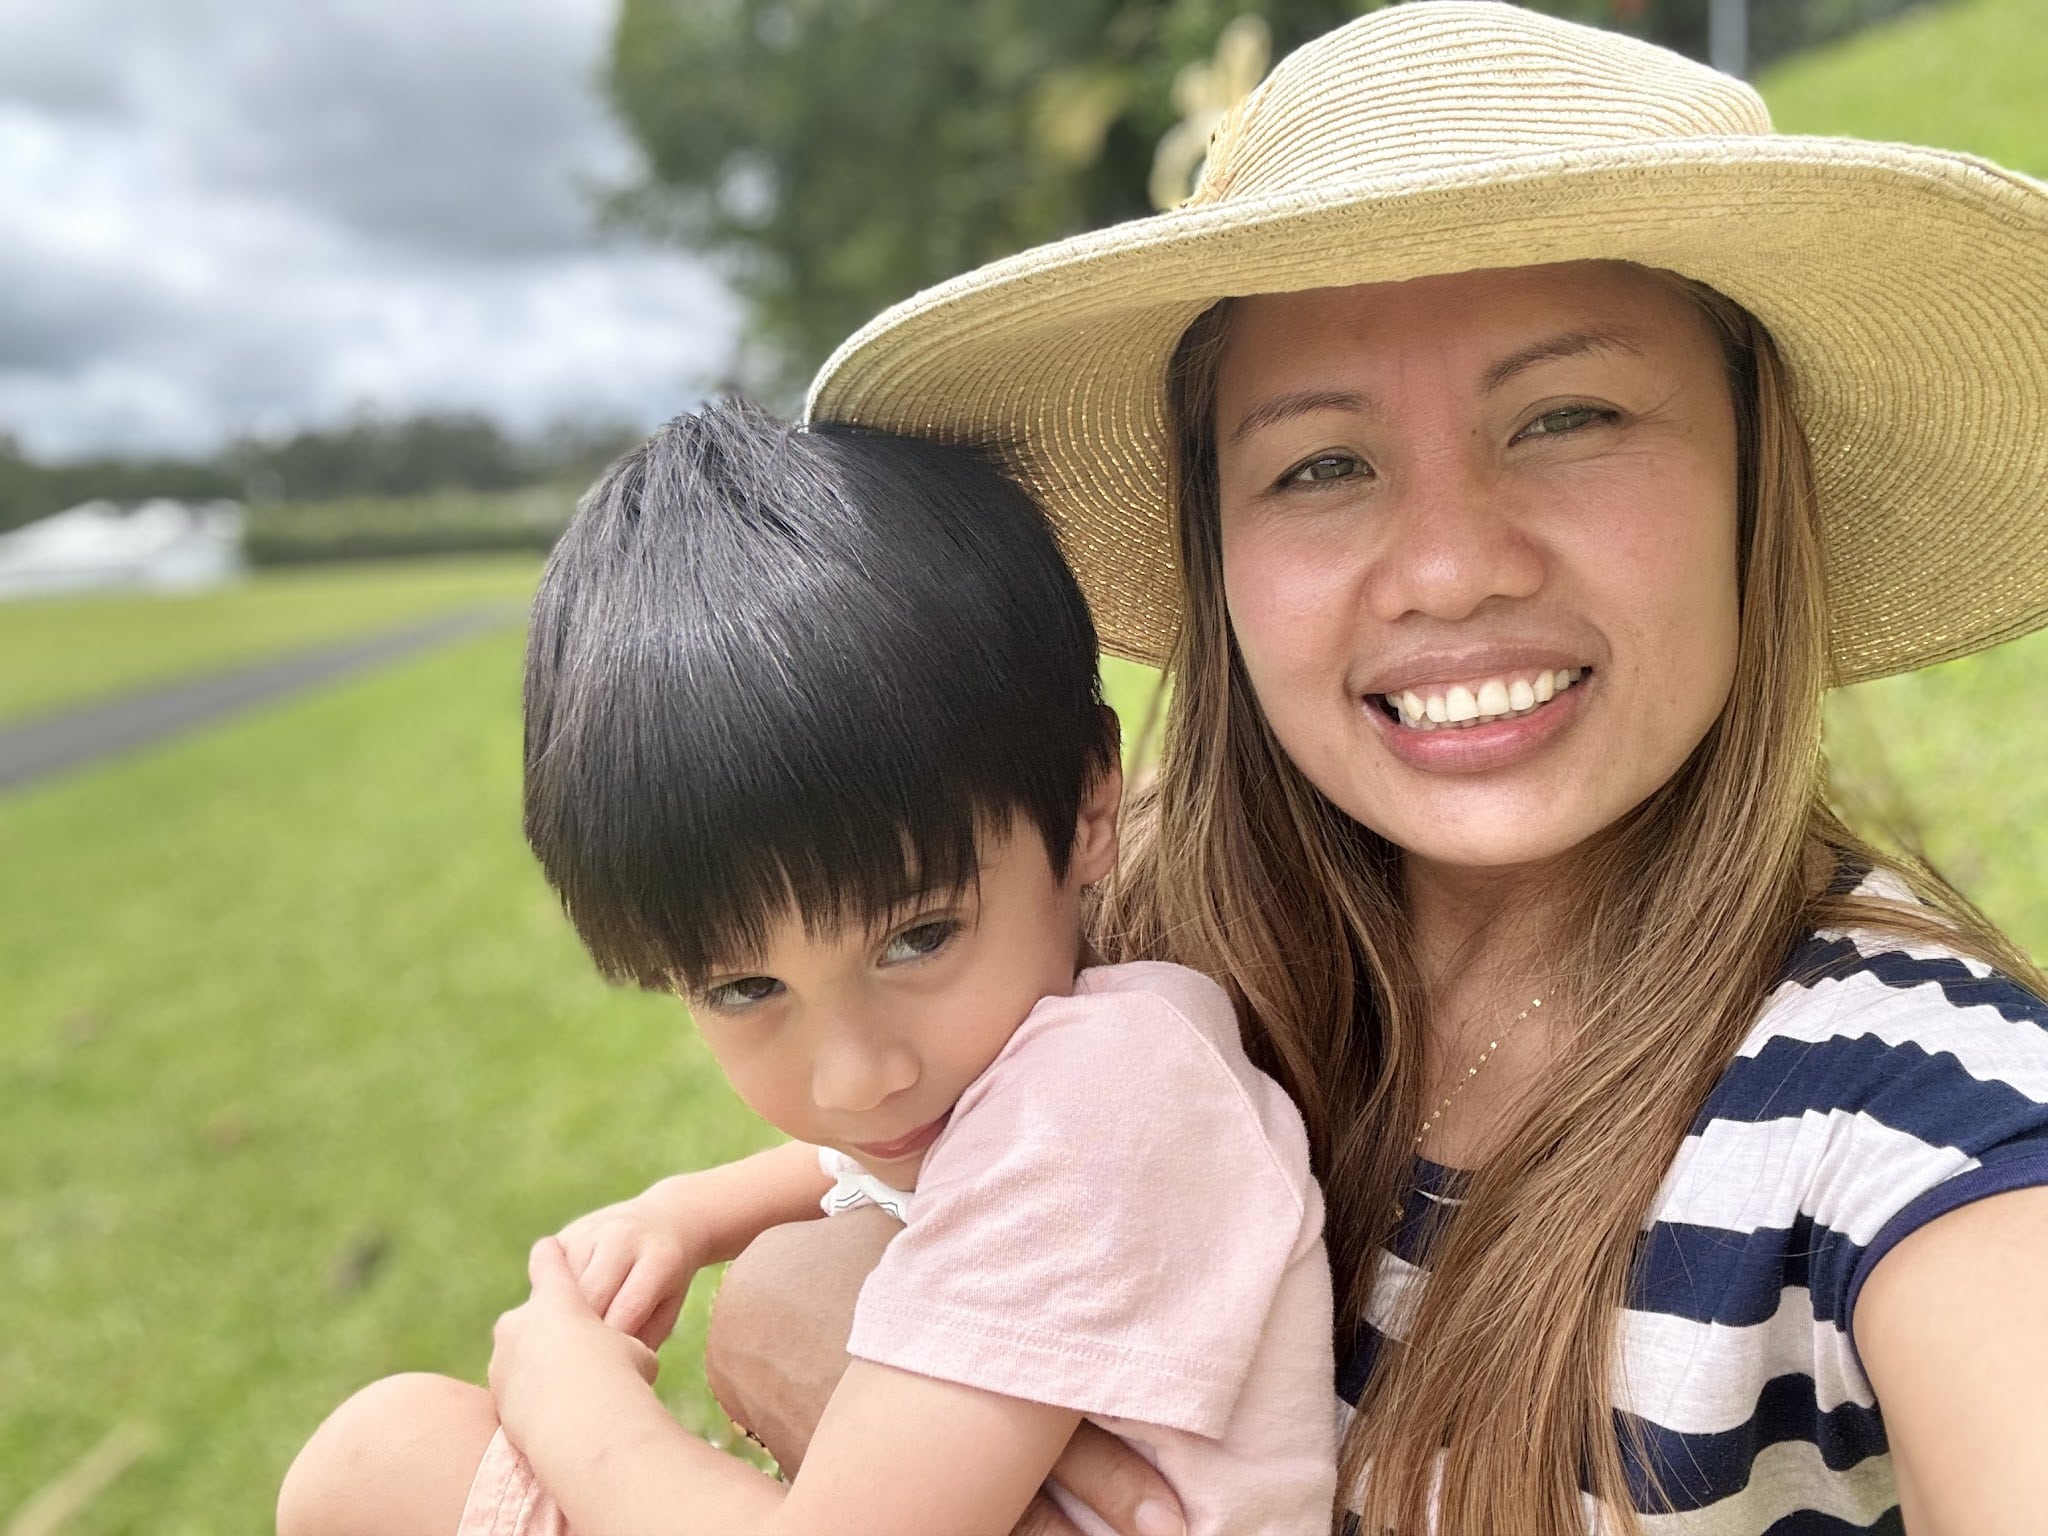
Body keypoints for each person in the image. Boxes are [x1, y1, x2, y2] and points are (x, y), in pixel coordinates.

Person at [711, 4, 2048, 1532]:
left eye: (1567, 417)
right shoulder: (1121, 950)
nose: (1451, 568)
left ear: (1759, 471)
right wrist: (801, 1305)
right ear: (1218, 550)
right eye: (1323, 464)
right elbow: (855, 1200)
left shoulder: (1919, 1123)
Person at [275, 401, 1337, 1536]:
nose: (854, 1077)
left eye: (917, 939)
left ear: (1086, 806)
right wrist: (688, 1212)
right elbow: (903, 1153)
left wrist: (572, 1403)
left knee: (376, 1466)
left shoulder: (1106, 1098)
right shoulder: (1055, 1055)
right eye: (746, 990)